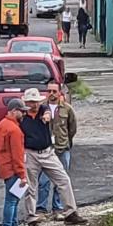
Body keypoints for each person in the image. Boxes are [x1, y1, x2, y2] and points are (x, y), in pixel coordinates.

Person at [19, 88, 87, 226]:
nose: (34, 104)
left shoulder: (44, 109)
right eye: (31, 102)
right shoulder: (21, 116)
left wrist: (47, 116)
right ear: (26, 102)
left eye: (36, 101)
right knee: (30, 187)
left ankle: (70, 212)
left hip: (48, 152)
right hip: (30, 153)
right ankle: (32, 218)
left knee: (63, 179)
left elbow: (49, 113)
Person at [36, 84, 76, 219]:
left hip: (62, 148)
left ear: (59, 92)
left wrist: (65, 141)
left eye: (54, 91)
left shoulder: (67, 108)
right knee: (43, 181)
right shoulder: (41, 109)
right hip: (46, 150)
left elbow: (72, 128)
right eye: (49, 91)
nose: (51, 93)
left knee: (61, 180)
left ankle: (57, 209)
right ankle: (41, 210)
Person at [0, 99, 29, 226]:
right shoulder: (14, 130)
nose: (24, 114)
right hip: (13, 170)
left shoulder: (1, 125)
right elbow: (17, 155)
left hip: (4, 168)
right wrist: (22, 175)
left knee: (12, 199)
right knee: (12, 201)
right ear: (14, 111)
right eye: (22, 111)